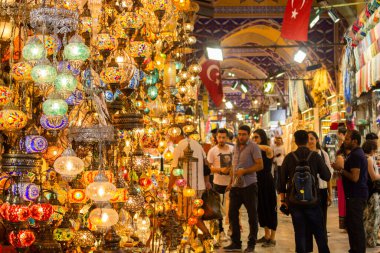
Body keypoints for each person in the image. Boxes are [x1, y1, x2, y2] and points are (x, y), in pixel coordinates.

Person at [279, 130, 331, 253]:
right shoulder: (315, 156)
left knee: (300, 233)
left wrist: (283, 200)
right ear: (307, 140)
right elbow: (327, 176)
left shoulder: (289, 158)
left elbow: (281, 183)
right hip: (313, 201)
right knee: (320, 232)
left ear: (295, 141)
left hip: (294, 201)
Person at [223, 125, 263, 253]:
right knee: (232, 214)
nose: (241, 136)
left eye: (244, 134)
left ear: (248, 135)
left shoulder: (254, 147)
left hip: (249, 186)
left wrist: (245, 171)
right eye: (239, 134)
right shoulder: (235, 147)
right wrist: (230, 182)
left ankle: (251, 244)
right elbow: (234, 166)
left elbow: (260, 165)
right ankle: (236, 242)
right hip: (235, 186)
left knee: (252, 216)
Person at [169, 129, 212, 239]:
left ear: (175, 134)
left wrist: (169, 188)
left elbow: (174, 170)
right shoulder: (197, 144)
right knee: (194, 213)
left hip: (187, 188)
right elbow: (207, 166)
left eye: (170, 136)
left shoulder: (180, 146)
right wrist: (206, 181)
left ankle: (207, 235)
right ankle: (194, 238)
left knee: (189, 214)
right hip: (199, 186)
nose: (169, 139)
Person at [332, 130, 368, 253]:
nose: (344, 141)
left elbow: (354, 177)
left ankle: (358, 250)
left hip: (356, 196)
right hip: (353, 195)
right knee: (352, 226)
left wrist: (340, 169)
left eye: (347, 139)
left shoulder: (356, 155)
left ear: (355, 141)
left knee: (356, 226)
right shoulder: (354, 154)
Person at [207, 128, 233, 243]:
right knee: (217, 209)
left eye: (223, 137)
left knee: (232, 207)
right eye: (219, 137)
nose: (221, 140)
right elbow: (209, 168)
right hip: (217, 183)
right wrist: (220, 170)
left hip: (231, 183)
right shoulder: (212, 151)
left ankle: (232, 229)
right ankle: (220, 231)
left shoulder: (232, 149)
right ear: (216, 138)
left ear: (227, 138)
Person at [253, 129, 277, 248]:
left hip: (267, 182)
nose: (255, 140)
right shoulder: (255, 150)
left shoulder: (268, 149)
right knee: (261, 209)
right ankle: (266, 235)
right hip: (257, 181)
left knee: (270, 208)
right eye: (253, 137)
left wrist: (254, 145)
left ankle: (272, 238)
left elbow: (268, 149)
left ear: (262, 137)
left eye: (256, 137)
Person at [307, 131, 333, 238]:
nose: (310, 141)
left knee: (322, 217)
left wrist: (330, 194)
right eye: (308, 139)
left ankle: (322, 237)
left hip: (322, 190)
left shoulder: (323, 154)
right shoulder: (305, 154)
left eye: (312, 138)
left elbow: (329, 175)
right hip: (308, 191)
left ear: (317, 140)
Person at [362, 140, 380, 248]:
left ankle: (370, 239)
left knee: (370, 216)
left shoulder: (365, 158)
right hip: (372, 191)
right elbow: (373, 176)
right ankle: (371, 240)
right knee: (373, 217)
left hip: (368, 191)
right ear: (372, 149)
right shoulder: (368, 159)